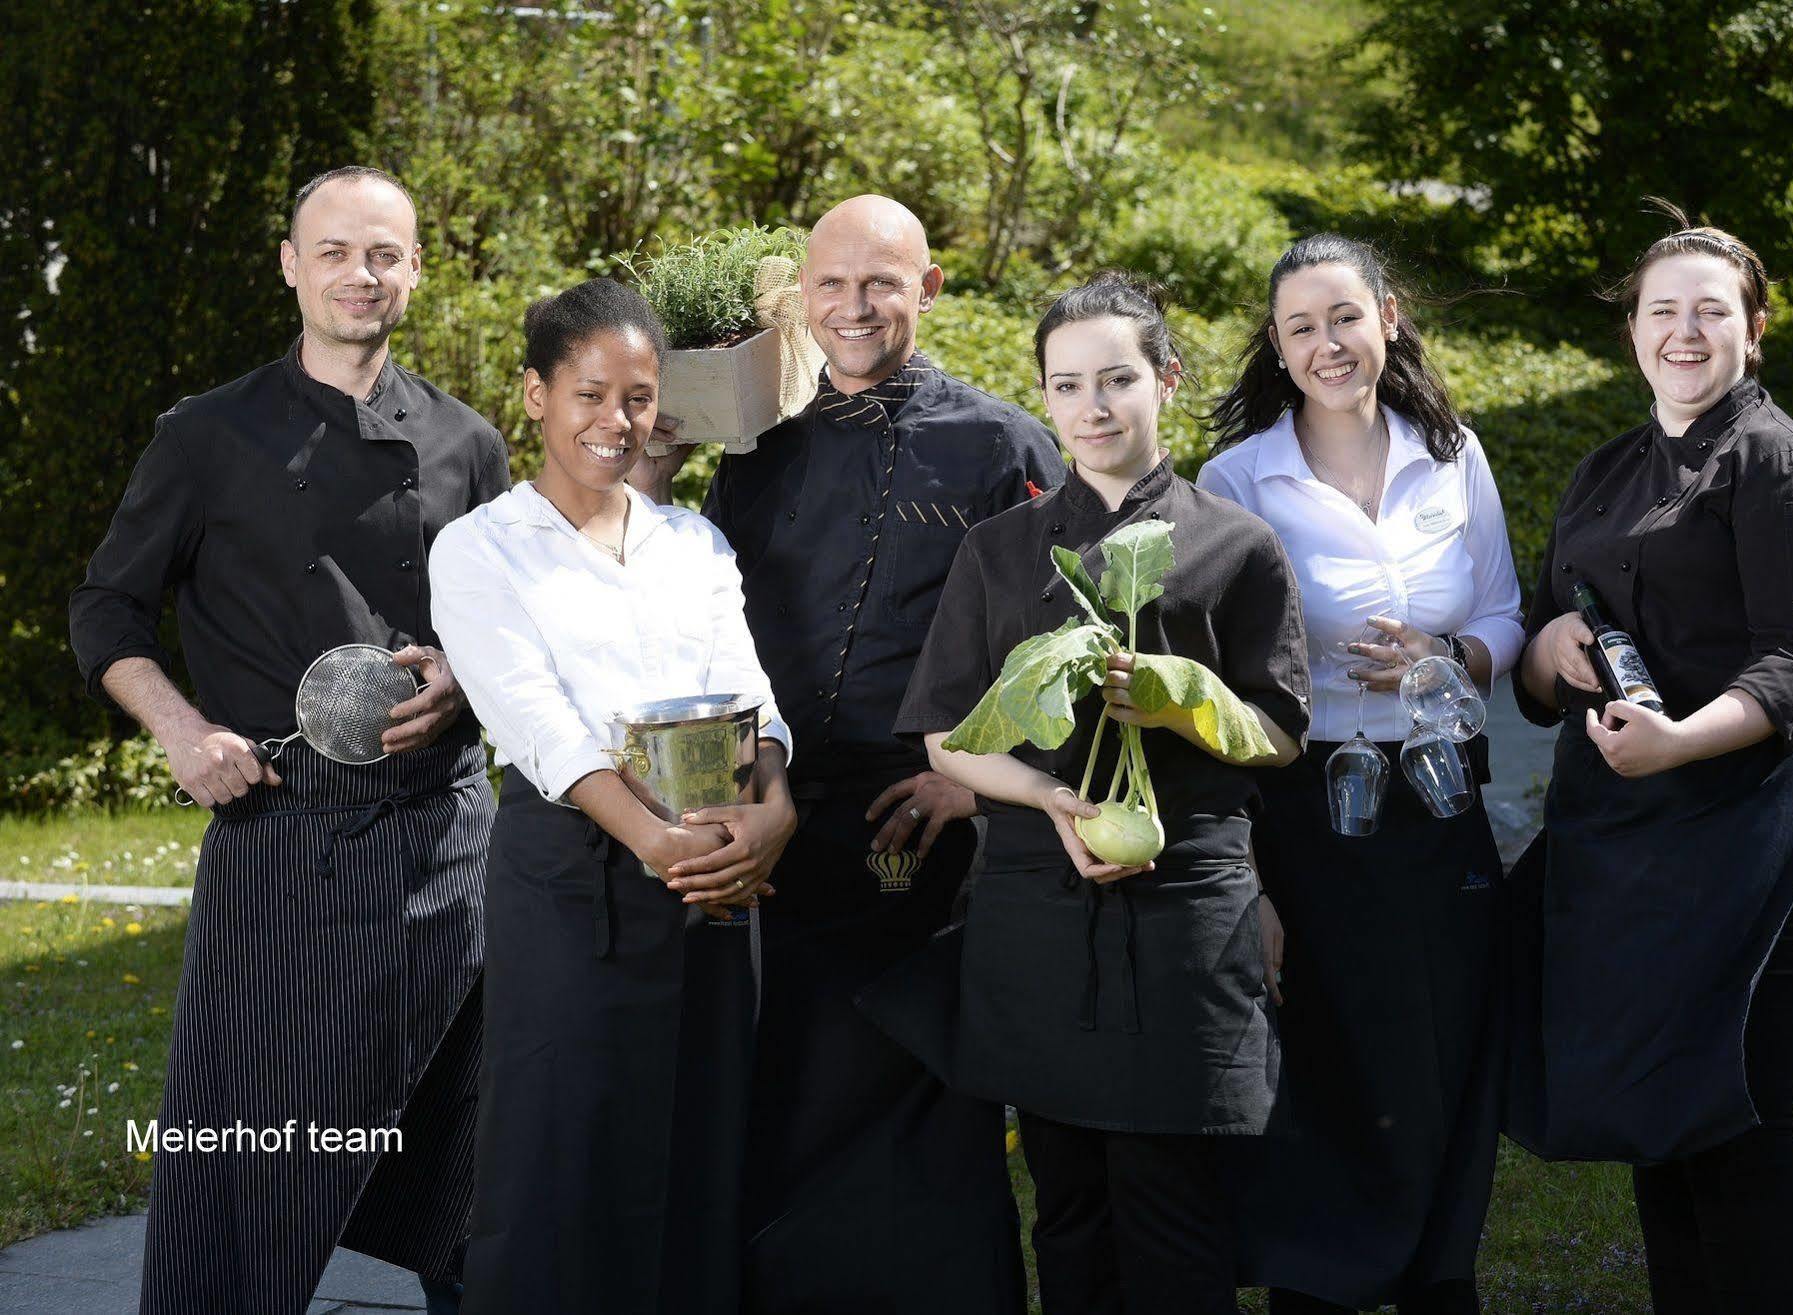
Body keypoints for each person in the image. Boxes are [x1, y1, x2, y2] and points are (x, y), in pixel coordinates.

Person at [68, 166, 507, 1315]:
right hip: (281, 827)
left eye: (383, 255)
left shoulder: (467, 442)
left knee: (470, 1147)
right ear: (289, 265)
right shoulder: (205, 435)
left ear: (415, 269)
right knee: (251, 1149)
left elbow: (516, 625)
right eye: (334, 252)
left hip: (446, 834)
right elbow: (106, 608)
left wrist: (467, 672)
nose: (360, 275)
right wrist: (181, 728)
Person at [889, 272, 1312, 1315]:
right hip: (1037, 905)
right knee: (1068, 1204)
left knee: (1176, 1206)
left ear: (1165, 380)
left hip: (1183, 909)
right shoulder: (999, 550)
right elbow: (947, 735)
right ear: (1045, 399)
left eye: (1117, 378)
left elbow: (1279, 735)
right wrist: (1053, 801)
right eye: (1068, 385)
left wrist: (1180, 700)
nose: (1093, 406)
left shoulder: (1234, 544)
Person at [696, 194, 1066, 1313]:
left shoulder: (1003, 443)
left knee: (929, 1111)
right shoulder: (757, 449)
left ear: (930, 288)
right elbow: (707, 623)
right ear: (801, 297)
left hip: (924, 839)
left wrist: (969, 781)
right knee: (781, 1101)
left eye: (881, 283)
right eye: (832, 285)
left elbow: (1059, 643)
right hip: (777, 828)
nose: (854, 308)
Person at [1507, 204, 1793, 1315]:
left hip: (1755, 817)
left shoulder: (1784, 469)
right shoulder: (1606, 470)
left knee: (1735, 1105)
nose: (1684, 331)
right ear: (1633, 332)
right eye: (1662, 310)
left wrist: (1678, 740)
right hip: (1632, 833)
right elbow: (1534, 645)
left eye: (1711, 311)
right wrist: (1546, 652)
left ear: (1754, 328)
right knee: (1653, 1106)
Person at [427, 276, 795, 1313]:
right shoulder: (479, 548)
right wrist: (652, 839)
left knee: (701, 1150)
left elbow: (754, 696)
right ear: (537, 395)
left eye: (636, 398)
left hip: (719, 877)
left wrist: (776, 813)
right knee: (562, 1159)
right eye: (589, 394)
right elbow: (536, 723)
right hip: (574, 879)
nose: (614, 422)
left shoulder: (694, 543)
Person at [1197, 233, 1523, 1315]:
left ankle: (1439, 1277)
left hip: (1438, 797)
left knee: (1442, 1051)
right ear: (1278, 349)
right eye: (1301, 327)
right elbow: (1215, 684)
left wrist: (1452, 658)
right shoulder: (1237, 479)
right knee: (1325, 1064)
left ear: (1387, 318)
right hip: (1307, 805)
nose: (1326, 343)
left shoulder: (1451, 451)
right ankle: (1320, 1286)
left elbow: (1502, 614)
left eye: (1344, 317)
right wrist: (1243, 859)